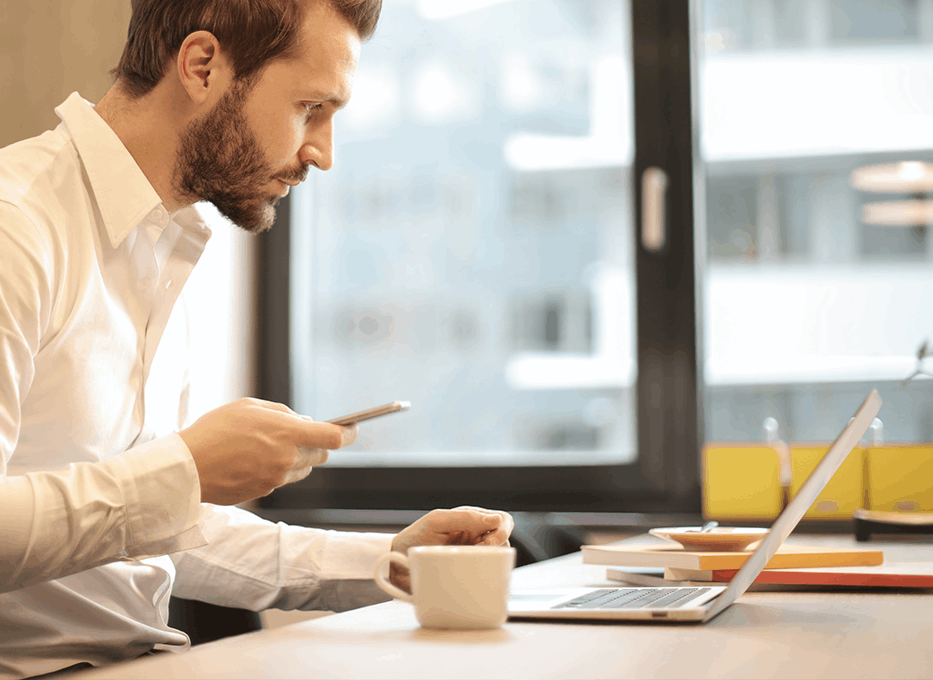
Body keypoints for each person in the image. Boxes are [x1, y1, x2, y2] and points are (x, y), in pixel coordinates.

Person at [0, 0, 514, 677]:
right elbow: (141, 501)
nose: (322, 154)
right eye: (311, 108)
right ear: (202, 65)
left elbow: (135, 527)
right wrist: (187, 470)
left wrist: (387, 560)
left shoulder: (160, 245)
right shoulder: (17, 229)